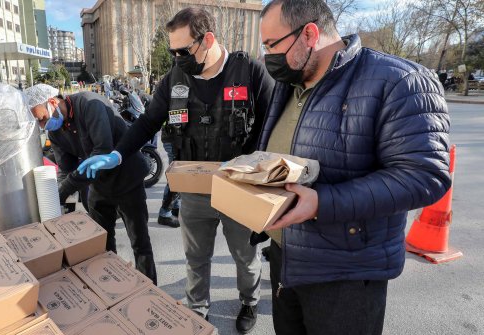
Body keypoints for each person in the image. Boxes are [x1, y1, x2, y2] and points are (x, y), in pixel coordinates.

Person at [255, 1, 451, 334]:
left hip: (346, 275)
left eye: (271, 45)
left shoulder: (400, 80)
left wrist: (322, 202)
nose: (266, 56)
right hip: (286, 258)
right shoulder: (290, 84)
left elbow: (424, 175)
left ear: (309, 34)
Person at [78, 7, 275, 333]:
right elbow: (146, 122)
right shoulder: (174, 79)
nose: (177, 57)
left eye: (183, 51)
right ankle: (198, 310)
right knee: (196, 259)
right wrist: (117, 154)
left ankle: (249, 302)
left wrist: (257, 171)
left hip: (241, 187)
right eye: (172, 51)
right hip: (195, 188)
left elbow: (271, 126)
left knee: (245, 257)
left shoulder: (250, 72)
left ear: (207, 39)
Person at [24, 84, 158, 285]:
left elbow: (101, 151)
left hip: (127, 179)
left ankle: (150, 290)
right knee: (102, 242)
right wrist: (55, 199)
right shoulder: (55, 133)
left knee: (140, 243)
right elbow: (66, 169)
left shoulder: (89, 104)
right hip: (98, 185)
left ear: (52, 103)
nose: (42, 126)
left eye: (41, 119)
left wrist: (63, 190)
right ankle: (113, 287)